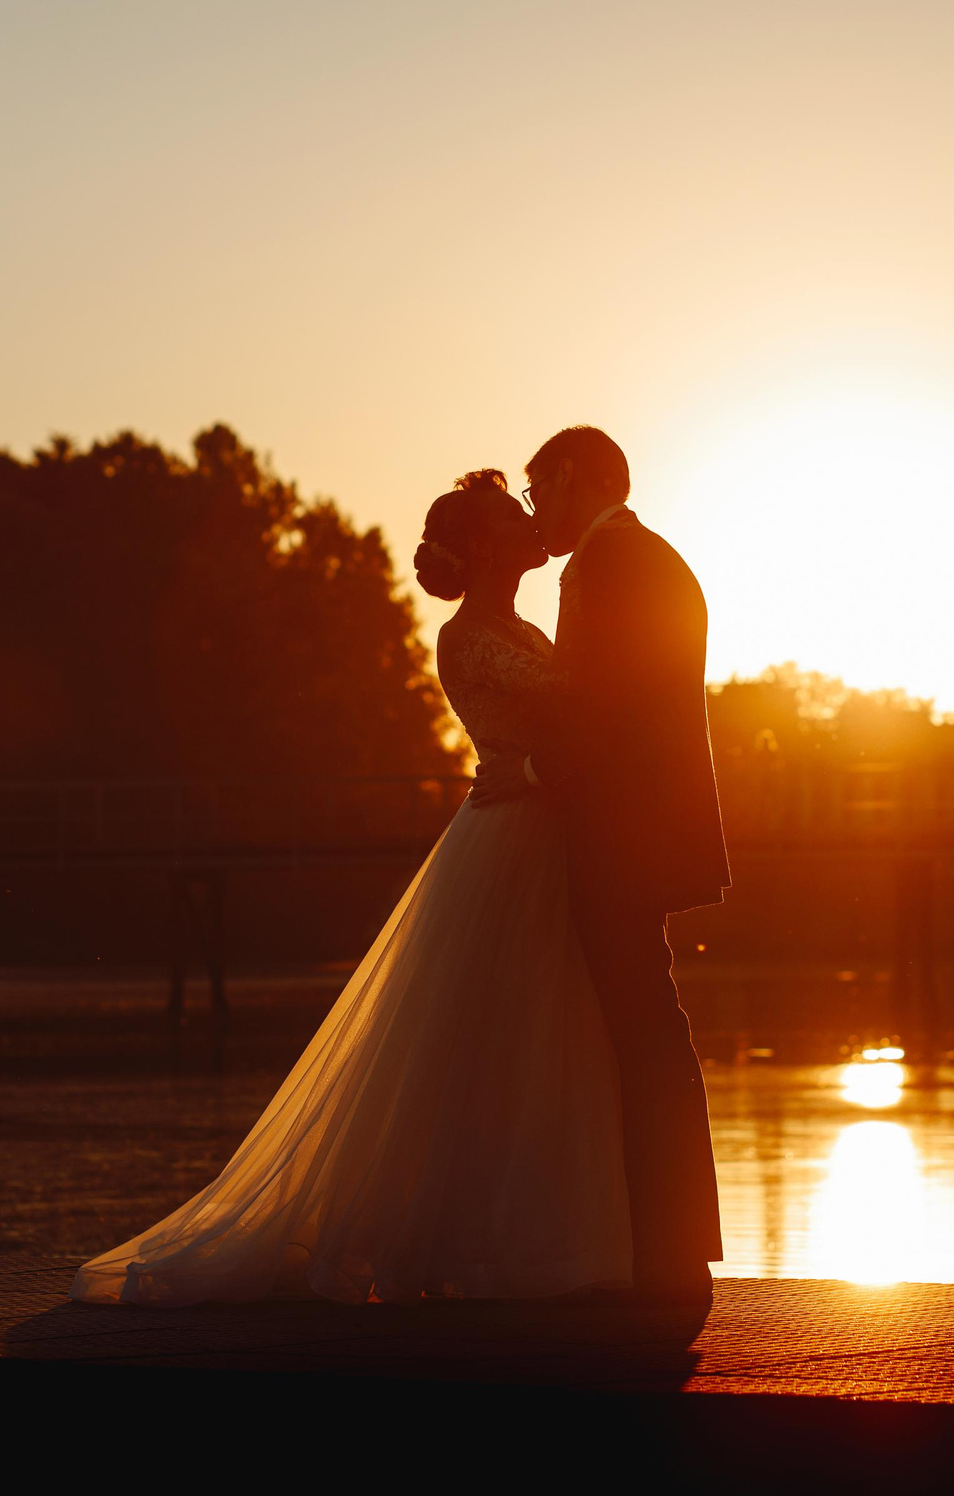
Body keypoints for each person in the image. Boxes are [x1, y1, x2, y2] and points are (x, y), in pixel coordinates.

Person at [73, 469, 631, 1305]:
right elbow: (553, 723)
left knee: (541, 1036)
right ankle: (464, 1242)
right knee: (485, 1042)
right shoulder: (468, 634)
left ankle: (526, 1239)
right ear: (483, 546)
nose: (529, 520)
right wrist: (546, 759)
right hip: (506, 839)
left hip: (543, 835)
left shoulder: (525, 628)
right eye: (514, 514)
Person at [514, 425, 729, 1303]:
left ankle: (661, 1247)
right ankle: (670, 1239)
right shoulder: (660, 559)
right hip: (654, 830)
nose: (539, 512)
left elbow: (593, 704)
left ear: (574, 476)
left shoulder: (599, 568)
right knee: (652, 1027)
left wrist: (529, 771)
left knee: (637, 1032)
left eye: (540, 491)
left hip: (620, 833)